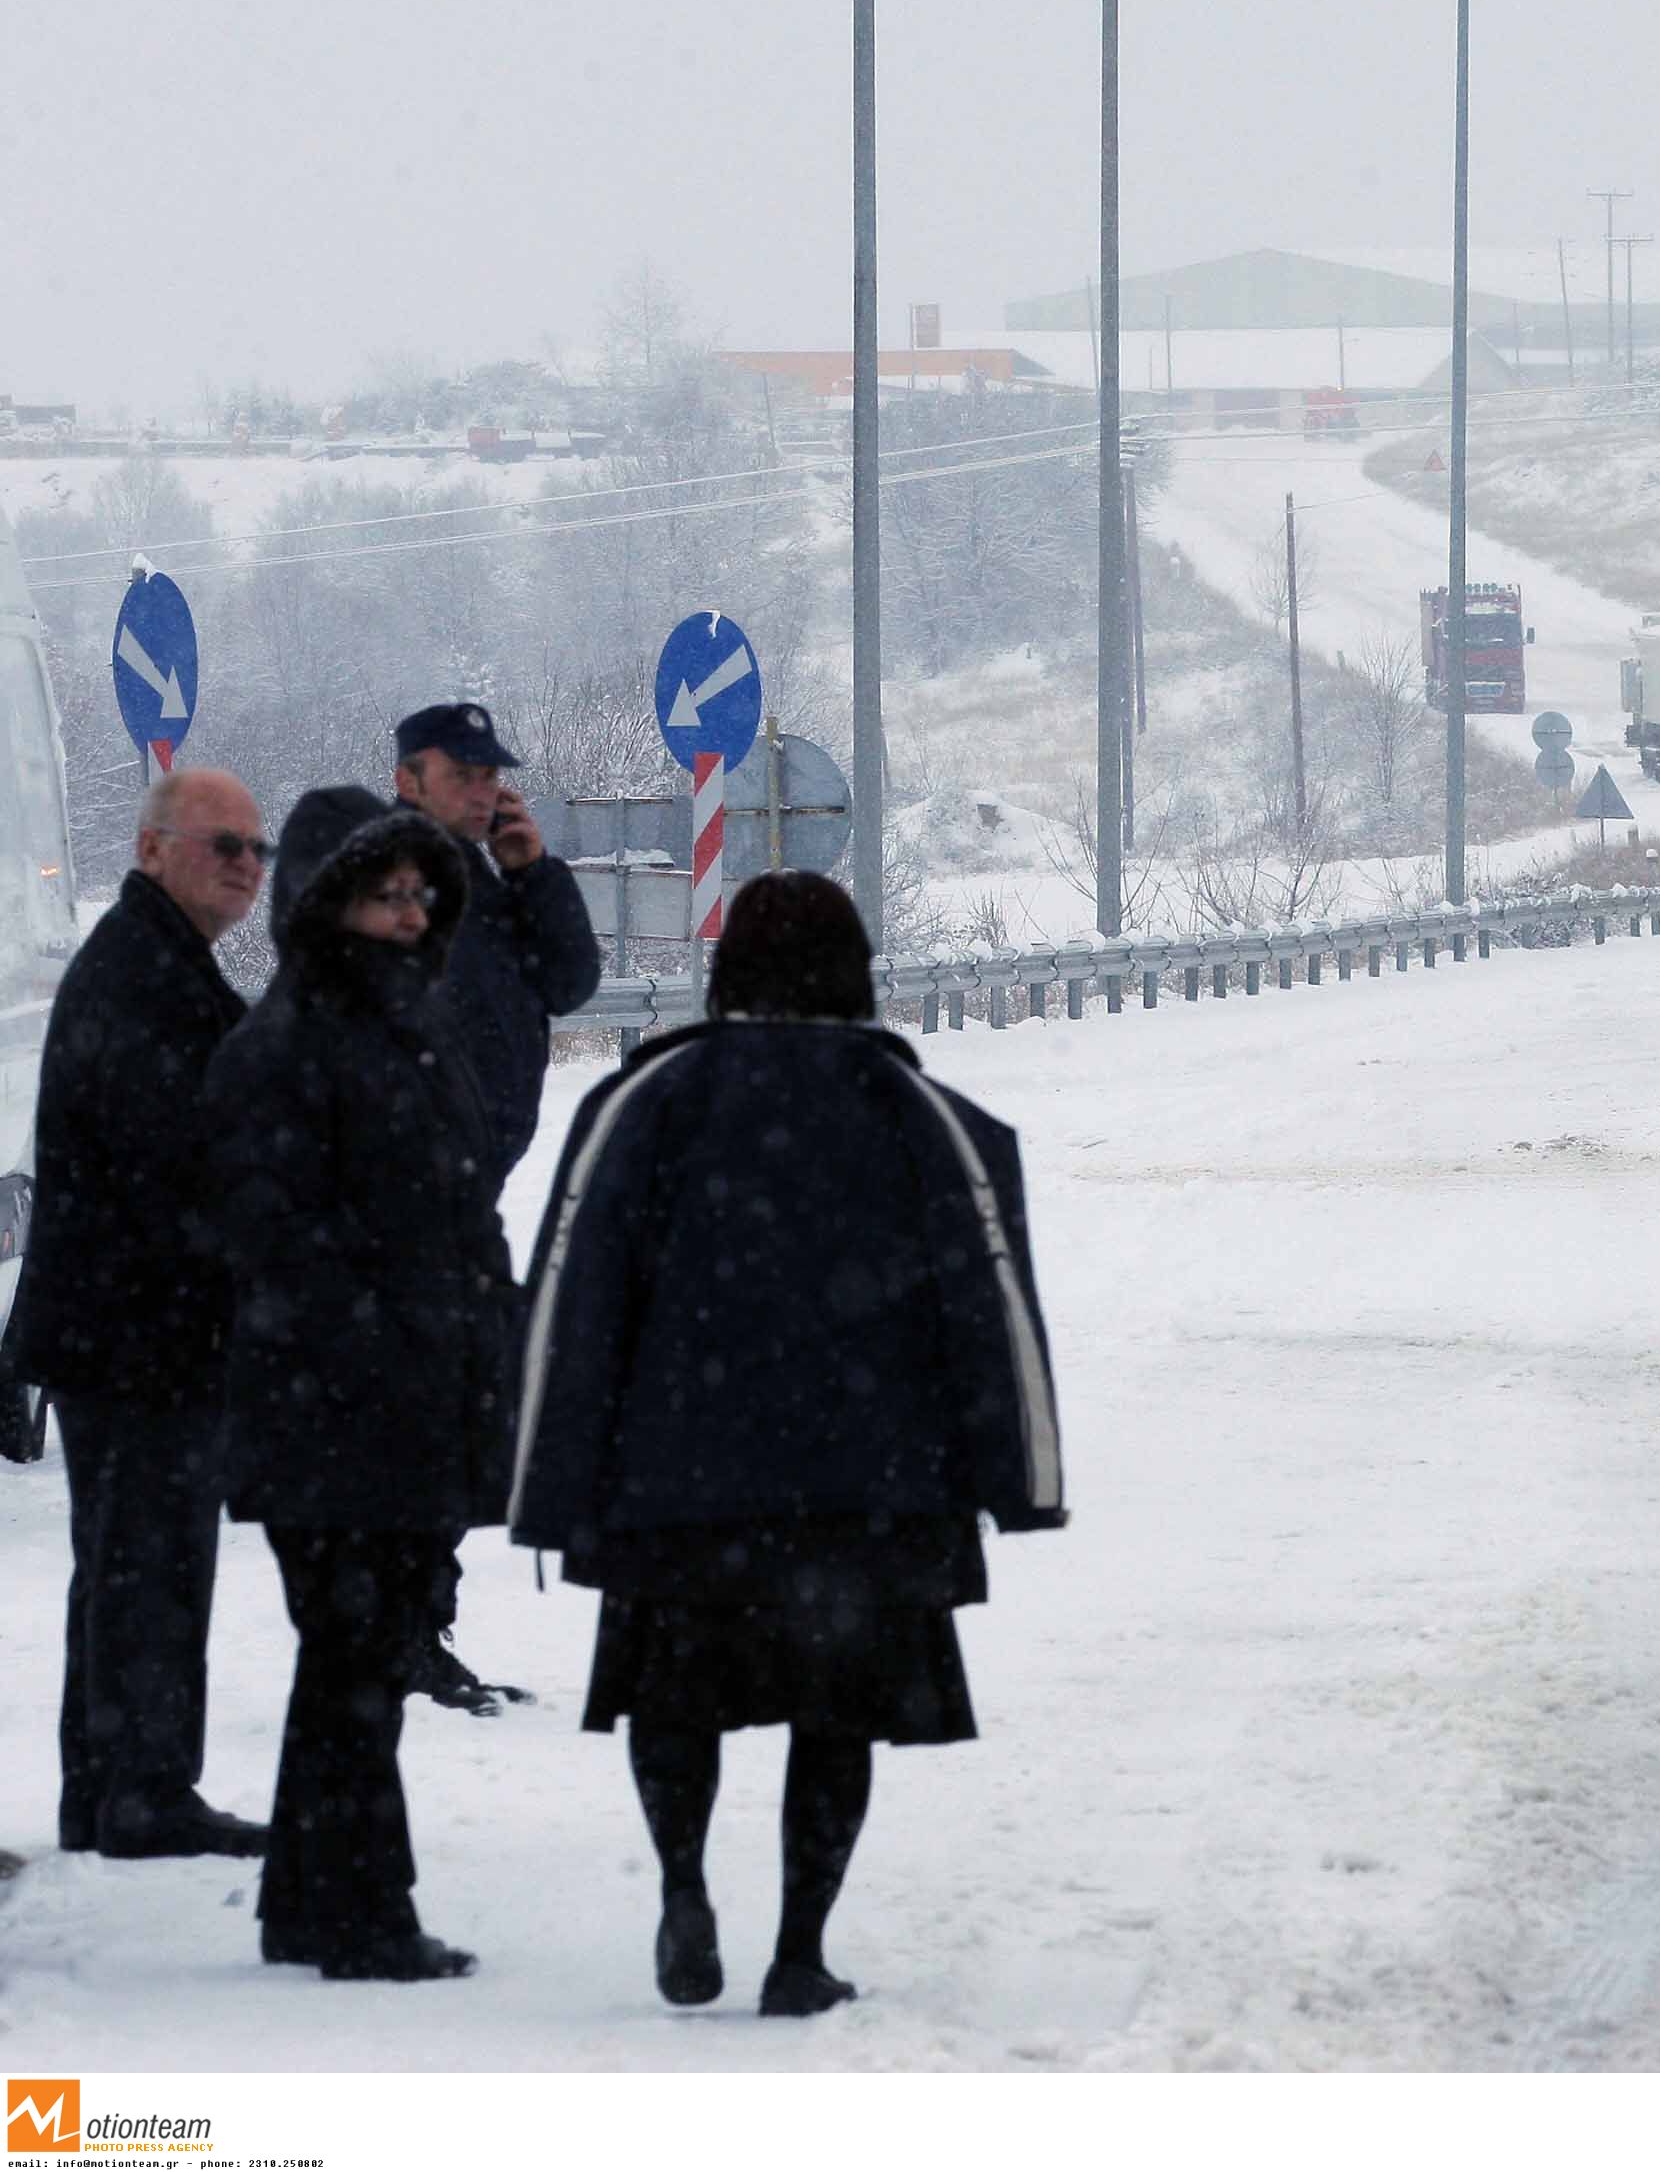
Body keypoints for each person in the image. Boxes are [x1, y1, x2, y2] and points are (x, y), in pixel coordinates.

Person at [510, 872, 1063, 2018]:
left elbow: (575, 1296)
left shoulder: (646, 1101)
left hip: (677, 1483)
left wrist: (549, 1477)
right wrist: (1019, 1482)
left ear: (728, 970)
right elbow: (988, 1307)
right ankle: (800, 1947)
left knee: (675, 1702)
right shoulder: (928, 1119)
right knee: (835, 1717)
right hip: (866, 1490)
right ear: (858, 972)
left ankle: (681, 1888)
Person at [205, 789, 514, 1981]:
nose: (409, 913)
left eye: (420, 893)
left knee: (353, 1660)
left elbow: (454, 1208)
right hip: (335, 1412)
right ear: (327, 904)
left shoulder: (407, 1027)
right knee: (357, 1661)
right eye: (384, 894)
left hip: (402, 1400)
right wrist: (392, 1342)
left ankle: (306, 1898)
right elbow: (280, 1240)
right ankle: (363, 1915)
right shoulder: (290, 1045)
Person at [4, 769, 268, 1860]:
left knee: (132, 1559)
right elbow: (177, 1154)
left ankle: (116, 1783)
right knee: (147, 1562)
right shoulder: (143, 975)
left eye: (256, 848)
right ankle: (139, 1789)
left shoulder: (157, 959)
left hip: (130, 1320)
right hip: (137, 1326)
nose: (246, 866)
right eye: (223, 846)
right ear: (154, 848)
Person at [389, 700, 595, 1716]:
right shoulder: (390, 884)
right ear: (408, 777)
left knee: (467, 1419)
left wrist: (537, 871)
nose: (480, 788)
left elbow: (573, 980)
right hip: (410, 1204)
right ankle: (402, 1635)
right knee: (430, 1425)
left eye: (488, 773)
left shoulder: (492, 881)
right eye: (459, 772)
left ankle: (420, 1627)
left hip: (472, 1195)